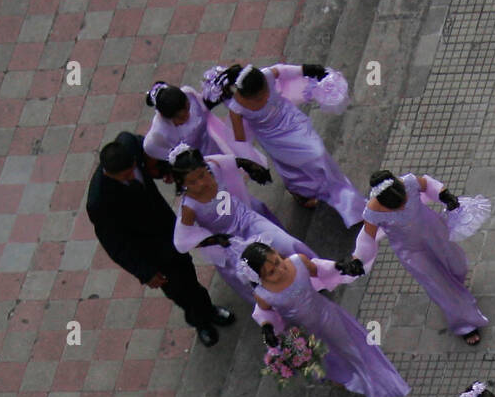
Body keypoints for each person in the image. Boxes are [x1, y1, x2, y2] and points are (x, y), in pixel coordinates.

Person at [85, 131, 235, 347]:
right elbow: (114, 244)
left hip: (166, 224)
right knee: (178, 289)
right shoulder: (99, 201)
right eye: (125, 177)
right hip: (150, 249)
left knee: (188, 273)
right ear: (110, 174)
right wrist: (144, 272)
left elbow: (152, 151)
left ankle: (206, 308)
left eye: (133, 171)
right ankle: (200, 321)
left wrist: (165, 169)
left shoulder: (130, 144)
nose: (131, 176)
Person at [244, 242, 410, 397]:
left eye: (277, 262)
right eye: (271, 273)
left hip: (328, 318)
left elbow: (320, 269)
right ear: (260, 278)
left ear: (276, 253)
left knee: (351, 348)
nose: (279, 270)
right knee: (327, 356)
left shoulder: (299, 262)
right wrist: (267, 326)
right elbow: (266, 313)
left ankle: (375, 381)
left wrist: (339, 266)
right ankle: (344, 377)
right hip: (304, 332)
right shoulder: (263, 295)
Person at [217, 63, 366, 225]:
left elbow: (284, 70)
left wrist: (310, 70)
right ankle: (300, 191)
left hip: (291, 121)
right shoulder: (236, 108)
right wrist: (251, 163)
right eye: (259, 97)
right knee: (292, 167)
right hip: (272, 138)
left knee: (318, 153)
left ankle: (344, 196)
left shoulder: (267, 74)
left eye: (266, 90)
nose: (266, 97)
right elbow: (240, 139)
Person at [169, 146, 317, 305]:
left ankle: (317, 272)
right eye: (192, 182)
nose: (201, 183)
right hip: (229, 242)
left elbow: (234, 161)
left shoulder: (214, 166)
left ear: (205, 166)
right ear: (181, 183)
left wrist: (253, 167)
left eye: (202, 175)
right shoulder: (189, 207)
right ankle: (276, 310)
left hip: (245, 218)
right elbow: (182, 240)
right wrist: (214, 239)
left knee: (286, 243)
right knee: (251, 278)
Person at [354, 170, 488, 344]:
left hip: (436, 233)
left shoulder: (409, 182)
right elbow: (367, 237)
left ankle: (456, 292)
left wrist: (444, 195)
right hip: (412, 252)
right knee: (440, 286)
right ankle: (464, 324)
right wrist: (358, 259)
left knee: (457, 266)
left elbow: (429, 185)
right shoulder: (372, 211)